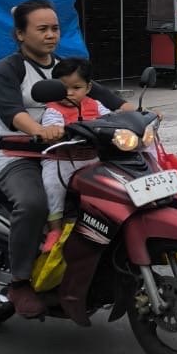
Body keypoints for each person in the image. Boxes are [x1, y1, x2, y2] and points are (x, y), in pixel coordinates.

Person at [0, 0, 132, 319]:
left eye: (54, 28)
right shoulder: (7, 70)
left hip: (68, 153)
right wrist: (39, 130)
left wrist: (139, 116)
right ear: (20, 34)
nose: (51, 34)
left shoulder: (66, 68)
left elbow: (106, 98)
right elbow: (12, 112)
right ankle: (20, 282)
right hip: (19, 154)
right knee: (34, 203)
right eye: (42, 29)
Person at [40, 57, 111, 233]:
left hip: (92, 157)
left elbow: (111, 119)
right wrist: (53, 130)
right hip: (61, 159)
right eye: (63, 88)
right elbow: (51, 125)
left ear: (88, 88)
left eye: (76, 88)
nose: (69, 93)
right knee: (52, 184)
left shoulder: (95, 104)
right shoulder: (53, 109)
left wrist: (135, 117)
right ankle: (55, 228)